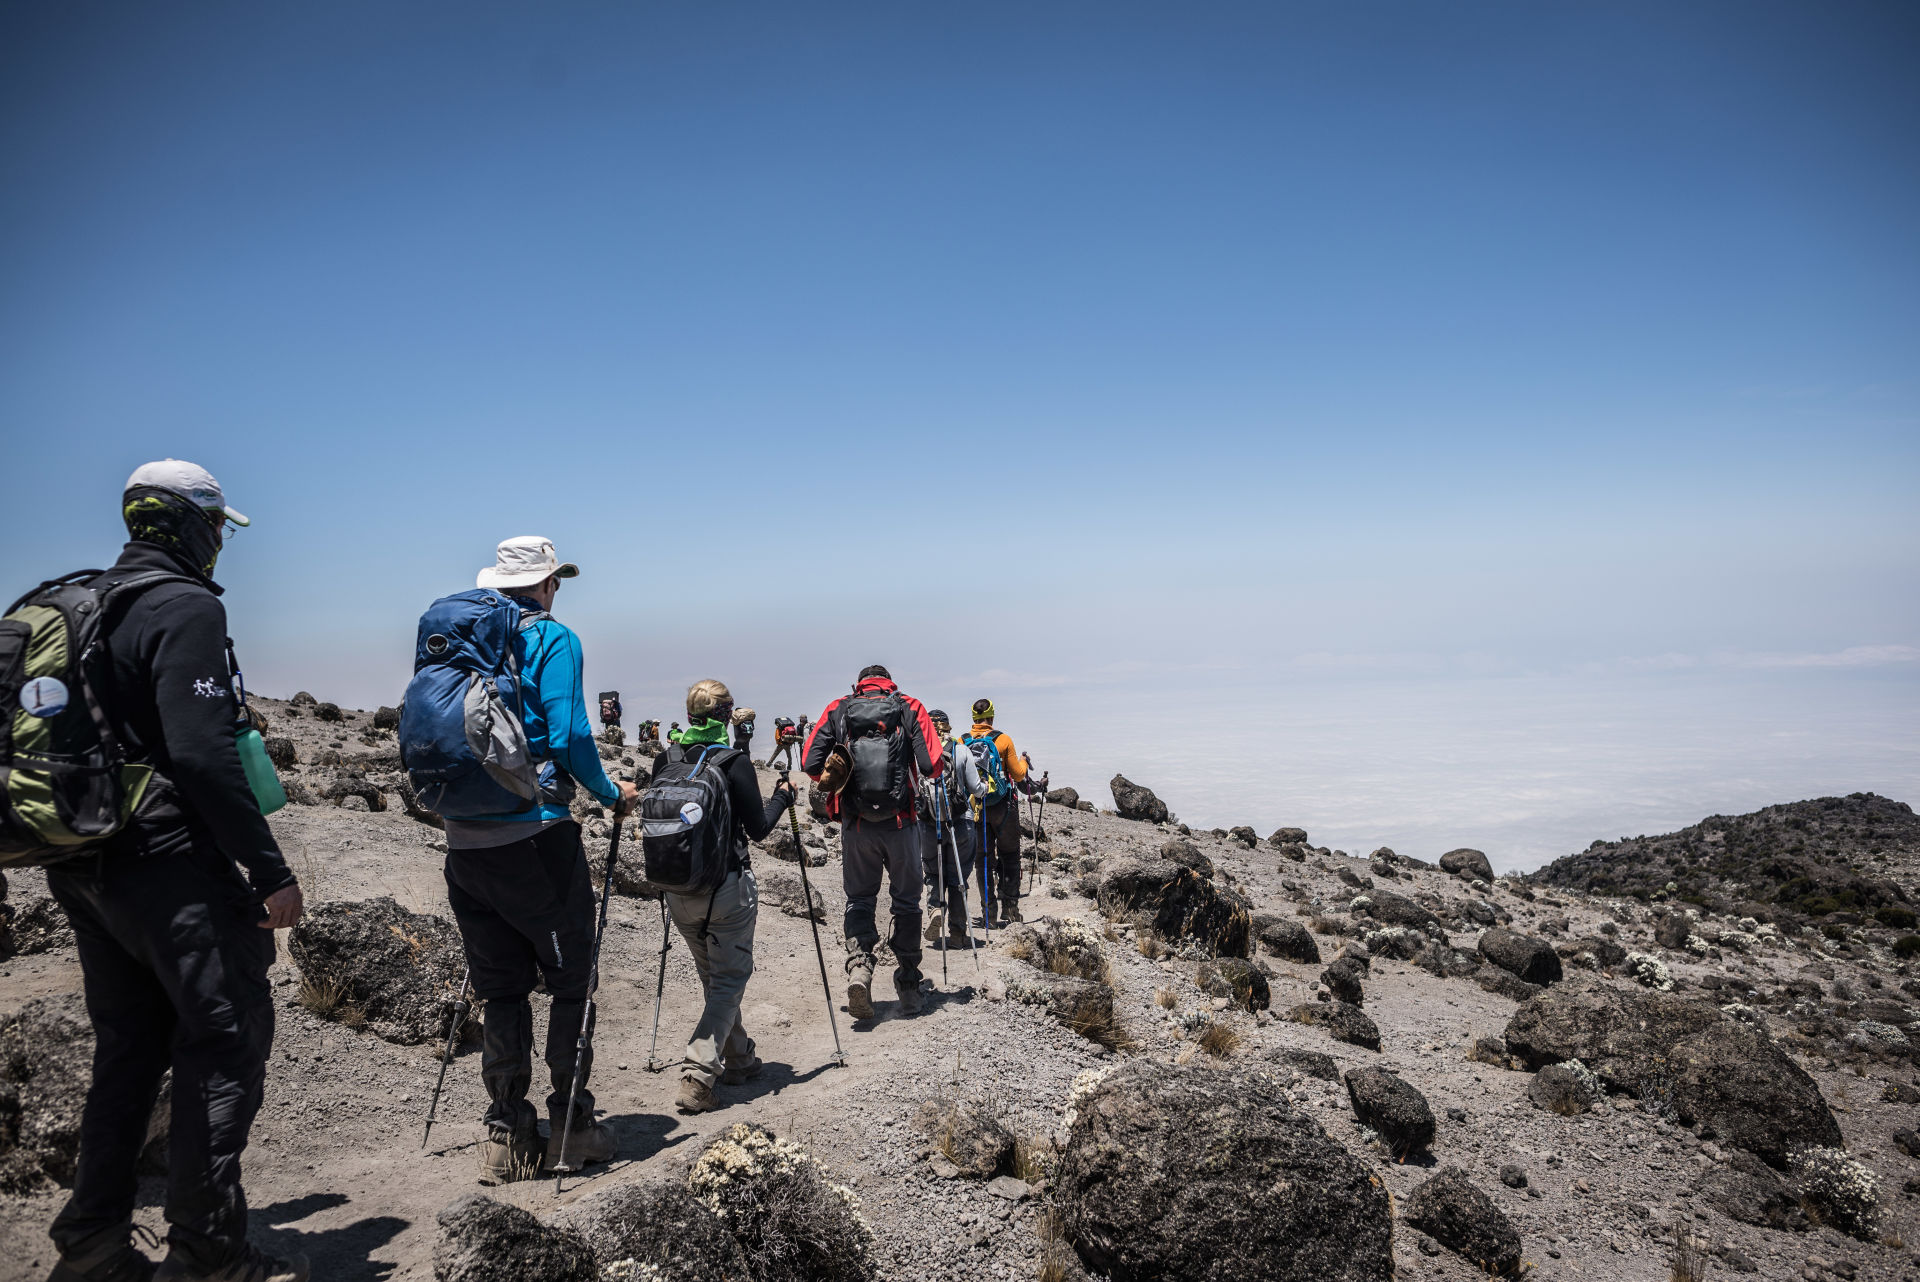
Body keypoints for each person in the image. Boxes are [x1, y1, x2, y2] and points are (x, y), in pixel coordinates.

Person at [37, 461, 308, 1282]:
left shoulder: (78, 601)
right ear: (195, 525)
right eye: (218, 525)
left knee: (127, 1049)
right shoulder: (185, 605)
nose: (221, 539)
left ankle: (92, 1242)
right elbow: (200, 753)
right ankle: (206, 1253)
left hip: (82, 861)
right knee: (222, 1043)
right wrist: (269, 870)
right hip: (168, 865)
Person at [438, 537, 639, 1184]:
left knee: (501, 989)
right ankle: (572, 1127)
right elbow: (573, 734)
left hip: (465, 841)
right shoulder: (554, 638)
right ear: (548, 584)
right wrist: (609, 794)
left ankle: (507, 1136)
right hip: (537, 835)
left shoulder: (463, 638)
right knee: (571, 980)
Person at [653, 681, 795, 1113]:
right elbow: (759, 829)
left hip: (677, 890)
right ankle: (698, 1074)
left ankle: (739, 1058)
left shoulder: (666, 759)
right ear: (726, 717)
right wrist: (782, 798)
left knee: (714, 978)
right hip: (726, 888)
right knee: (730, 978)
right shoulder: (733, 762)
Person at [802, 665, 943, 1019]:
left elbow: (809, 762)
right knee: (906, 904)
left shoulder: (839, 708)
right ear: (889, 682)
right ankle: (909, 987)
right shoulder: (909, 706)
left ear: (860, 684)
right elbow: (932, 765)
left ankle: (860, 971)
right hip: (902, 824)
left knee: (860, 899)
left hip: (857, 826)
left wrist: (841, 776)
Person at [962, 698, 1041, 926]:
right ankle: (1010, 908)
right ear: (992, 716)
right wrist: (1023, 761)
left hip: (977, 808)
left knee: (983, 860)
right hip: (1003, 806)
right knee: (1010, 855)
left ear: (973, 718)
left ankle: (988, 914)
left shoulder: (962, 741)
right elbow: (1018, 775)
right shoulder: (1003, 740)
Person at [920, 710, 988, 949]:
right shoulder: (962, 750)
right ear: (948, 727)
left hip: (929, 824)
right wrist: (985, 788)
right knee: (958, 877)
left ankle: (935, 909)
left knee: (932, 872)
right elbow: (976, 788)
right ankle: (958, 934)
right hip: (961, 822)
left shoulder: (920, 753)